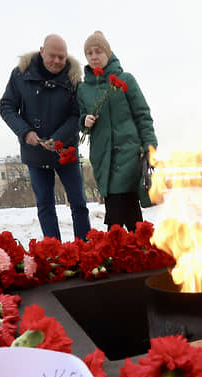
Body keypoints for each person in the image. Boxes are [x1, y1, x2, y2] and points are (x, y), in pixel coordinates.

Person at [0, 34, 91, 240]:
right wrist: (26, 132)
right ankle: (54, 252)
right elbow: (6, 106)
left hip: (66, 150)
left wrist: (58, 138)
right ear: (42, 51)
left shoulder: (73, 78)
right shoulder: (20, 75)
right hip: (35, 154)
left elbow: (77, 113)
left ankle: (85, 249)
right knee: (45, 206)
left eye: (61, 57)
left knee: (78, 204)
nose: (57, 61)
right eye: (52, 56)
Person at [77, 31, 157, 232]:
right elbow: (79, 117)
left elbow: (142, 114)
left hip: (129, 153)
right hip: (102, 156)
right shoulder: (83, 89)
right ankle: (137, 245)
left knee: (118, 201)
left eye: (98, 51)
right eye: (89, 53)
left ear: (108, 53)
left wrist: (150, 147)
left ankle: (116, 240)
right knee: (128, 204)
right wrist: (84, 121)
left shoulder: (126, 80)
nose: (94, 56)